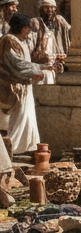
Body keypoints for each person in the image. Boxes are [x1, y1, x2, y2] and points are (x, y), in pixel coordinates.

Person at [0, 12, 47, 153]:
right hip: (12, 88)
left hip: (24, 86)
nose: (28, 32)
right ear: (19, 27)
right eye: (27, 28)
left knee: (27, 117)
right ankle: (9, 150)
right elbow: (17, 65)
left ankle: (26, 148)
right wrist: (41, 68)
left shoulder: (21, 42)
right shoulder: (9, 40)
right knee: (16, 120)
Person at [29, 0, 71, 84]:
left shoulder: (60, 20)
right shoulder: (35, 22)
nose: (49, 10)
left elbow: (71, 31)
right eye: (46, 7)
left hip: (60, 62)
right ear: (40, 9)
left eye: (52, 7)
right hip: (42, 63)